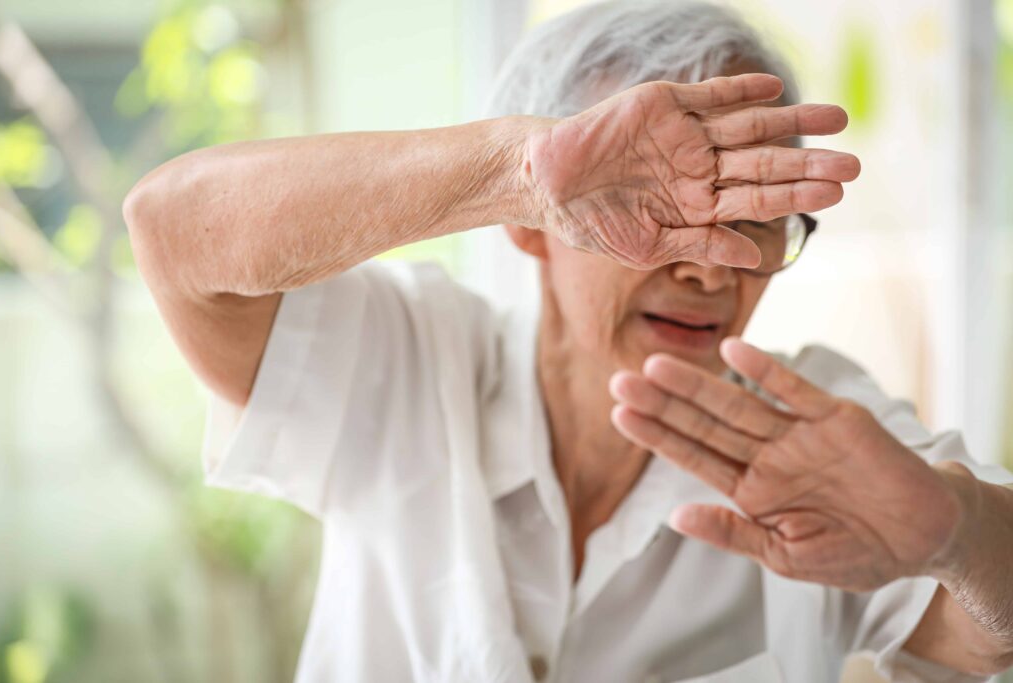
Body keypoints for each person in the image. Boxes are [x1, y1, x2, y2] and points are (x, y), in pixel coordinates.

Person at [124, 1, 1013, 681]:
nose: (712, 271)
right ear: (531, 225)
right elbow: (169, 229)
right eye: (657, 212)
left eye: (755, 220)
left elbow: (984, 628)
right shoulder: (406, 359)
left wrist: (958, 532)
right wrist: (509, 169)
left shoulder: (816, 433)